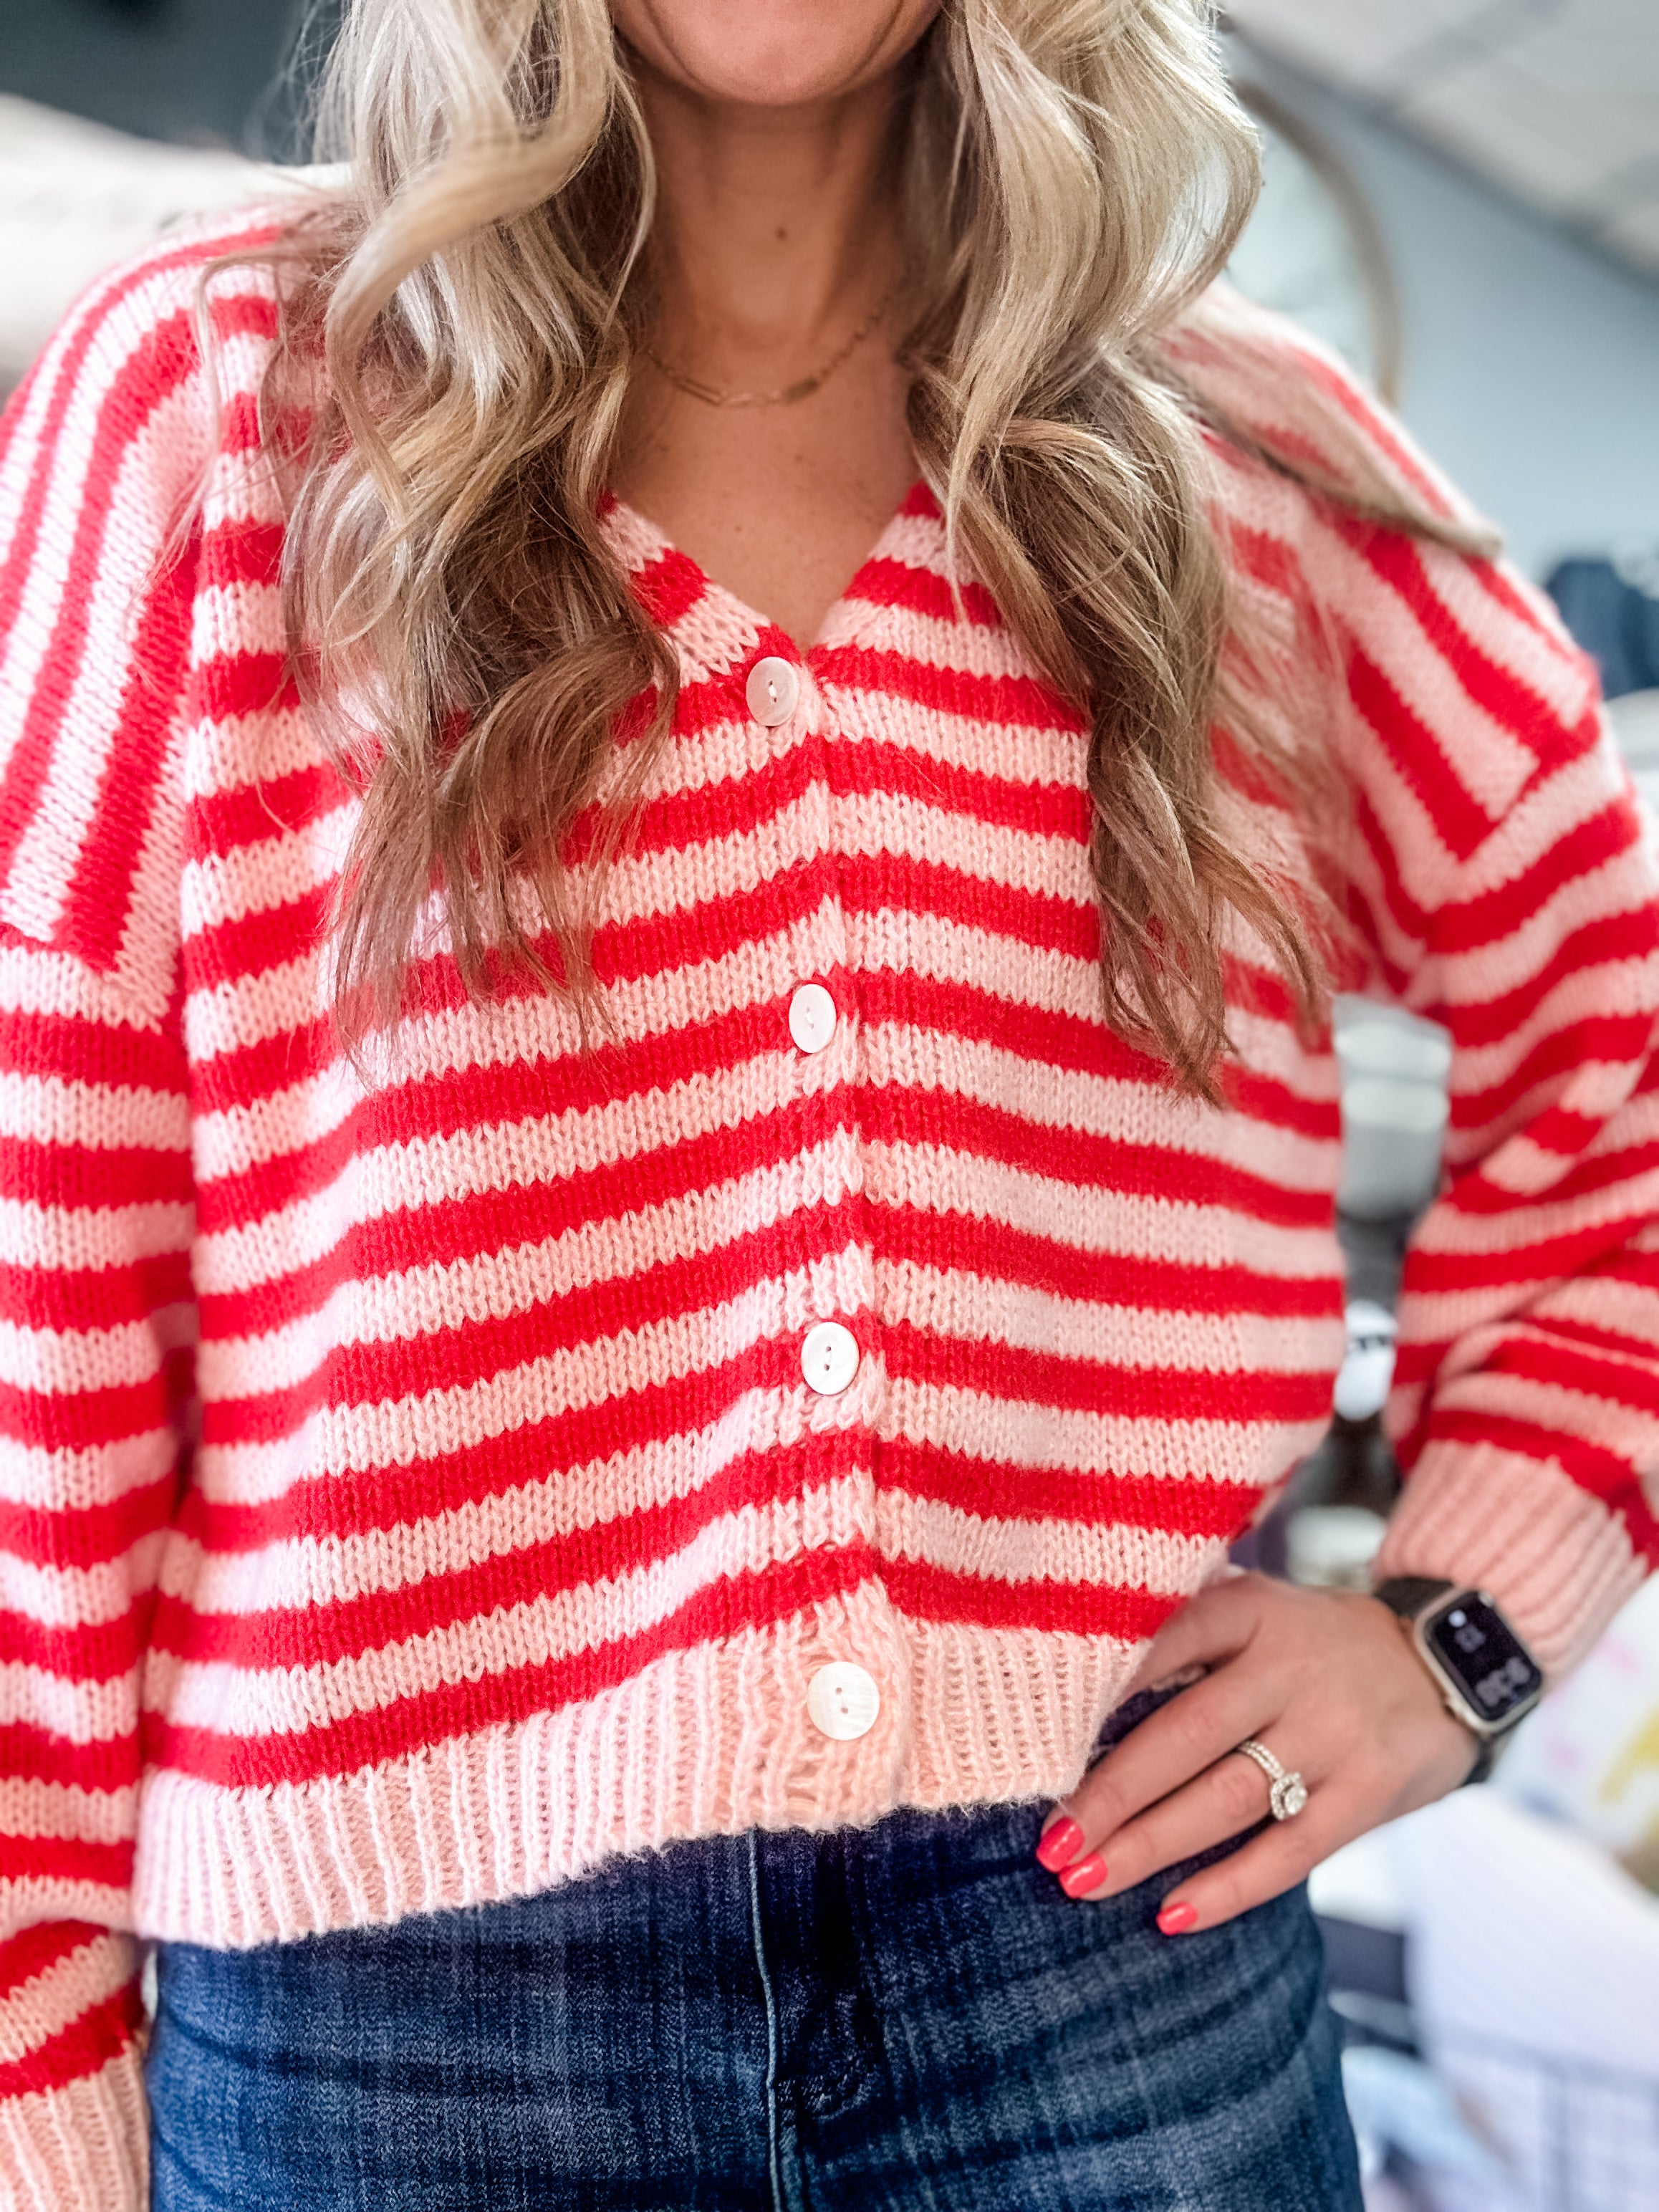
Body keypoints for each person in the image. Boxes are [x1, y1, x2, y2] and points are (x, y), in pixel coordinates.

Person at [0, 3, 1653, 2207]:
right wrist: (39, 2061)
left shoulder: (1245, 463)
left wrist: (1455, 1634)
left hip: (1106, 1960)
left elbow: (1614, 1040)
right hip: (382, 2027)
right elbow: (44, 1283)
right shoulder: (222, 400)